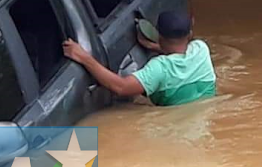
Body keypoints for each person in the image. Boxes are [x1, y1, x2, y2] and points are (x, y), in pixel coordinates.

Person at [62, 10, 217, 106]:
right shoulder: (201, 49)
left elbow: (121, 87)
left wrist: (83, 57)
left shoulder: (159, 69)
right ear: (189, 34)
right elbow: (180, 55)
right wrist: (156, 47)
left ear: (159, 36)